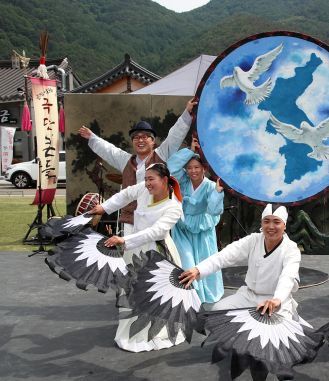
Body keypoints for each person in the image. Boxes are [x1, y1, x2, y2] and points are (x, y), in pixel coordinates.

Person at [88, 163, 185, 352]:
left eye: (151, 179)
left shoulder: (174, 207)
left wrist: (124, 240)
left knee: (155, 295)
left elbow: (156, 232)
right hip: (134, 250)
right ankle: (132, 331)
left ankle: (157, 332)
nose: (147, 183)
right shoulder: (143, 189)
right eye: (146, 179)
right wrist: (103, 208)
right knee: (131, 291)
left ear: (164, 180)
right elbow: (124, 195)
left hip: (158, 253)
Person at [78, 98, 197, 244]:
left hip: (155, 215)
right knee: (130, 254)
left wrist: (187, 112)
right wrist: (92, 137)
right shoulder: (126, 160)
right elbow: (109, 150)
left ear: (152, 141)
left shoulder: (161, 155)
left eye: (144, 136)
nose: (140, 140)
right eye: (136, 137)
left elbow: (174, 136)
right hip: (130, 216)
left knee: (154, 255)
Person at [179, 204, 303, 321]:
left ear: (284, 225)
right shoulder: (253, 240)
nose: (271, 226)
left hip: (276, 301)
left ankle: (292, 317)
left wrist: (277, 299)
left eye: (276, 222)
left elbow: (287, 277)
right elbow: (225, 255)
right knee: (218, 311)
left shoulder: (291, 249)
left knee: (277, 334)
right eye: (266, 221)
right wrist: (198, 270)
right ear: (261, 223)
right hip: (250, 296)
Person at [167, 139, 225, 304]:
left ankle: (205, 295)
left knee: (204, 261)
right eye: (189, 167)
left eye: (196, 167)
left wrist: (217, 193)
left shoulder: (210, 186)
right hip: (183, 229)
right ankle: (189, 295)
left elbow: (214, 211)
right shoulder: (183, 181)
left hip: (203, 229)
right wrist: (190, 151)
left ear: (204, 169)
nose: (193, 171)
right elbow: (170, 168)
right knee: (186, 260)